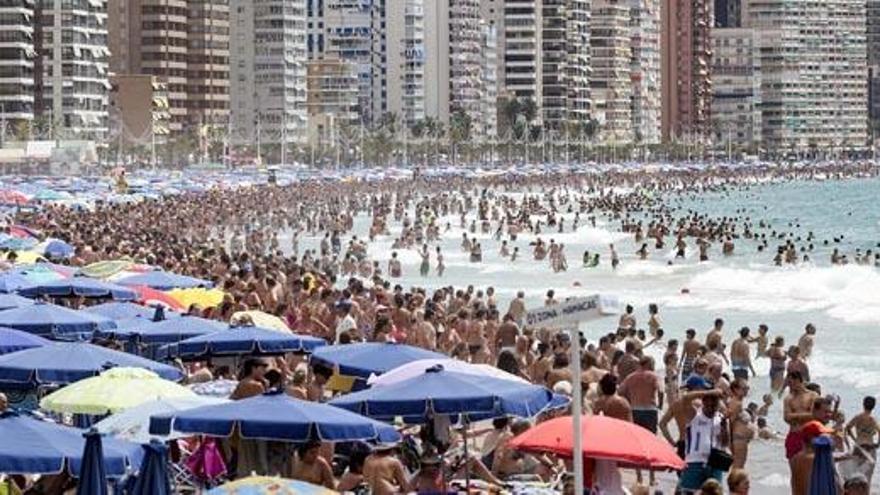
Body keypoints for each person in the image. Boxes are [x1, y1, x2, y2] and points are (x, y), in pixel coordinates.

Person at [677, 394, 729, 493]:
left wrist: (723, 425)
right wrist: (710, 391)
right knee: (689, 492)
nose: (710, 409)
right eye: (707, 406)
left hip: (715, 464)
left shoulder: (720, 418)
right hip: (694, 462)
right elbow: (686, 398)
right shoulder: (694, 415)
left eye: (713, 406)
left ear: (717, 405)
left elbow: (725, 443)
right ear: (703, 403)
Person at [619, 356, 663, 433]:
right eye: (653, 364)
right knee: (650, 437)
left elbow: (620, 391)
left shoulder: (630, 377)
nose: (654, 366)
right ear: (648, 364)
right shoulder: (653, 376)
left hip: (635, 410)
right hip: (650, 410)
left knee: (636, 436)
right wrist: (660, 404)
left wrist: (629, 400)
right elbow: (661, 390)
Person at [790, 421, 834, 495]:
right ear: (812, 438)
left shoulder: (796, 458)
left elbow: (794, 486)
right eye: (822, 436)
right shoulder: (813, 459)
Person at [783, 371, 819, 462]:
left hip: (809, 435)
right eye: (788, 384)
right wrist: (804, 415)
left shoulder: (812, 396)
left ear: (799, 381)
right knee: (794, 467)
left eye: (791, 383)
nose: (789, 386)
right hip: (794, 434)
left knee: (810, 466)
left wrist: (795, 416)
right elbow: (786, 418)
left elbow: (815, 415)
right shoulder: (788, 399)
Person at [845, 396, 879, 485]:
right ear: (874, 406)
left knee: (856, 475)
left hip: (859, 446)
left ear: (863, 404)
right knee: (868, 478)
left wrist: (854, 438)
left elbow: (847, 427)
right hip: (870, 447)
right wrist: (877, 444)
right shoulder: (873, 419)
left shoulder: (858, 417)